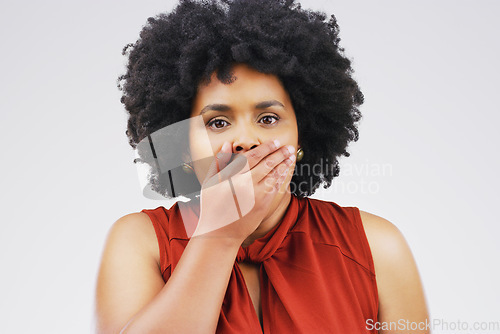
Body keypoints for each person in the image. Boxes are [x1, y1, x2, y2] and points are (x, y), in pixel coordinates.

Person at [94, 0, 429, 333]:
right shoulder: (140, 243)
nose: (246, 140)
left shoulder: (376, 248)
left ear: (302, 139)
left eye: (268, 118)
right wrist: (221, 235)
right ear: (182, 147)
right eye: (218, 122)